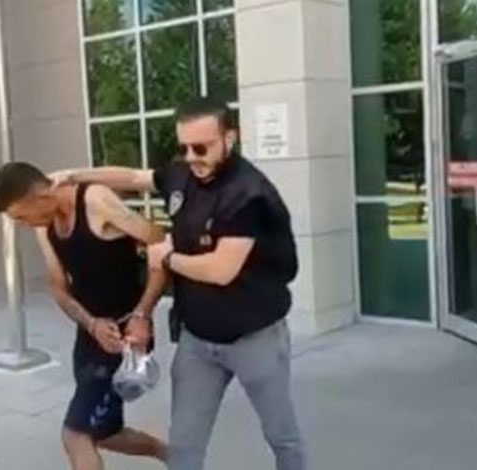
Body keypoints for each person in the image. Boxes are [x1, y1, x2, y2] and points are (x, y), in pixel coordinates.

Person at [52, 97, 304, 470]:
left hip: (255, 338)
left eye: (201, 148)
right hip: (198, 342)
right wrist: (75, 175)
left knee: (282, 436)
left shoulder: (247, 194)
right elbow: (134, 178)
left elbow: (222, 269)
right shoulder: (182, 174)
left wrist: (166, 258)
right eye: (183, 147)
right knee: (185, 446)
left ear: (229, 138)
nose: (191, 157)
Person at [0, 162, 168, 470]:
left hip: (126, 333)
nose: (22, 224)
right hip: (90, 335)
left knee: (75, 434)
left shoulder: (95, 200)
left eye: (21, 216)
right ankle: (176, 455)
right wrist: (91, 324)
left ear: (41, 197)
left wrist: (142, 314)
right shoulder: (44, 227)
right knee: (104, 432)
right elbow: (58, 288)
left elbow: (159, 243)